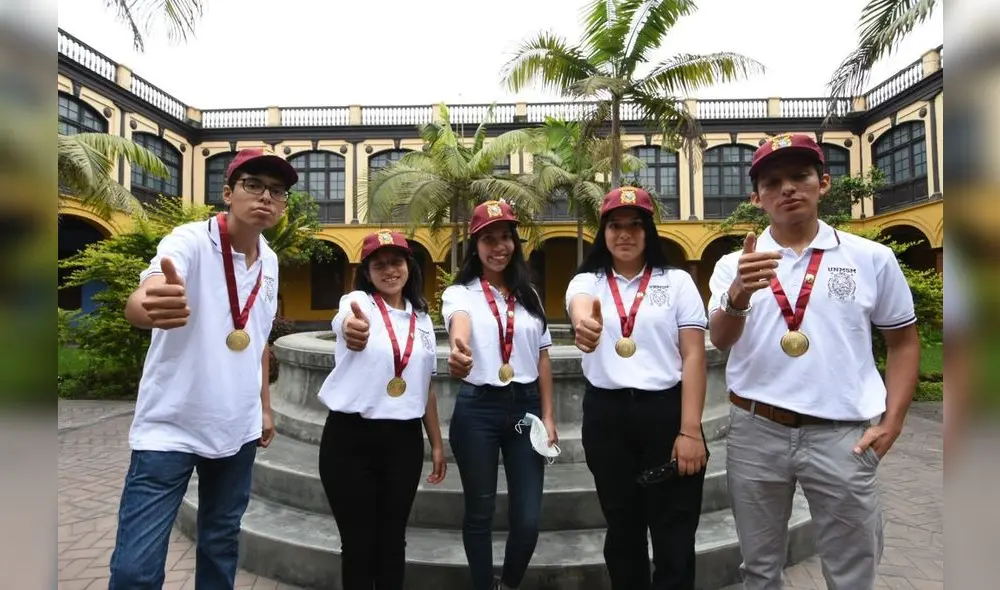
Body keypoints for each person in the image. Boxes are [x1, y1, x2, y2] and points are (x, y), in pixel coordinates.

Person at [708, 133, 921, 590]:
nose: (788, 188)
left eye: (800, 176)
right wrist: (739, 293)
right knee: (760, 569)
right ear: (757, 197)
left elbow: (903, 341)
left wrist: (894, 421)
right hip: (756, 429)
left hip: (842, 432)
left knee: (852, 569)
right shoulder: (734, 265)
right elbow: (721, 339)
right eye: (772, 182)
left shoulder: (871, 258)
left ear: (823, 183)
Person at [110, 147, 296, 588]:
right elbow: (147, 292)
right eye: (253, 185)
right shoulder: (190, 240)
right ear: (228, 193)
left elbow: (258, 339)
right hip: (169, 427)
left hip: (237, 429)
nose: (266, 197)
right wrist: (150, 305)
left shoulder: (269, 261)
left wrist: (263, 409)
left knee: (220, 546)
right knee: (136, 570)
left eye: (277, 191)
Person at [565, 186, 709, 590]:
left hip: (665, 413)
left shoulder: (677, 282)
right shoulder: (588, 281)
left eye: (634, 225)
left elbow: (694, 357)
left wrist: (690, 430)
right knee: (622, 527)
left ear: (649, 231)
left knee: (674, 531)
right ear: (603, 232)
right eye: (614, 226)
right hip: (606, 416)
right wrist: (584, 326)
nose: (624, 234)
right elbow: (579, 307)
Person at [316, 229, 447, 590]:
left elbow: (426, 387)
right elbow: (345, 323)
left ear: (409, 266)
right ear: (368, 272)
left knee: (393, 540)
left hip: (404, 440)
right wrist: (350, 328)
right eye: (379, 265)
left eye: (396, 262)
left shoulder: (421, 319)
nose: (389, 270)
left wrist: (436, 443)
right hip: (350, 438)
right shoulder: (357, 302)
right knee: (358, 543)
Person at [442, 199, 558, 590]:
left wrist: (549, 416)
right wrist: (459, 350)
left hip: (526, 411)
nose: (498, 246)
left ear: (515, 242)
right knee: (480, 511)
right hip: (478, 410)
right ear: (475, 246)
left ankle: (508, 583)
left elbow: (543, 359)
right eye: (488, 238)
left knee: (528, 517)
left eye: (505, 237)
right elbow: (460, 325)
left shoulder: (530, 296)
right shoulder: (461, 293)